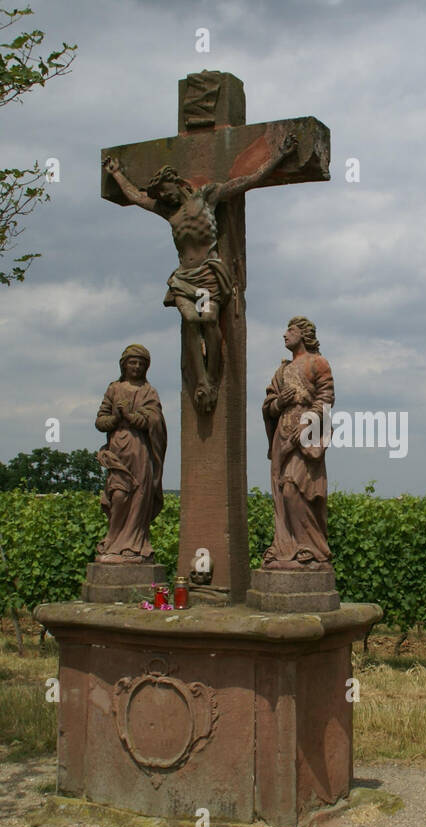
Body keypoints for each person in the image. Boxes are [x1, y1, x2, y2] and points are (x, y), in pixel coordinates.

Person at [103, 133, 298, 414]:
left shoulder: (207, 198)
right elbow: (137, 198)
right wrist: (118, 175)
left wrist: (278, 157)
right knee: (191, 320)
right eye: (159, 194)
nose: (163, 197)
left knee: (207, 318)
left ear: (178, 182)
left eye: (166, 190)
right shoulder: (170, 213)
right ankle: (201, 381)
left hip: (207, 274)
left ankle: (212, 380)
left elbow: (247, 180)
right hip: (184, 278)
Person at [262, 316, 333, 570]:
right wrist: (280, 403)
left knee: (295, 487)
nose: (284, 335)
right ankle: (286, 546)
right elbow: (269, 404)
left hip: (307, 435)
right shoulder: (281, 371)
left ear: (303, 334)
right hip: (283, 434)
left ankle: (313, 549)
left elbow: (325, 399)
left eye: (289, 330)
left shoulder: (318, 363)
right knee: (282, 491)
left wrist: (306, 425)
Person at [94, 344, 166, 563]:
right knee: (118, 494)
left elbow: (154, 420)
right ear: (124, 365)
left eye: (141, 364)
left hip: (140, 451)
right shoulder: (114, 389)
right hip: (118, 449)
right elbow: (100, 421)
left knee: (139, 497)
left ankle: (134, 544)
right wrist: (116, 418)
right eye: (132, 362)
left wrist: (131, 415)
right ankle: (112, 541)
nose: (136, 367)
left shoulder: (148, 391)